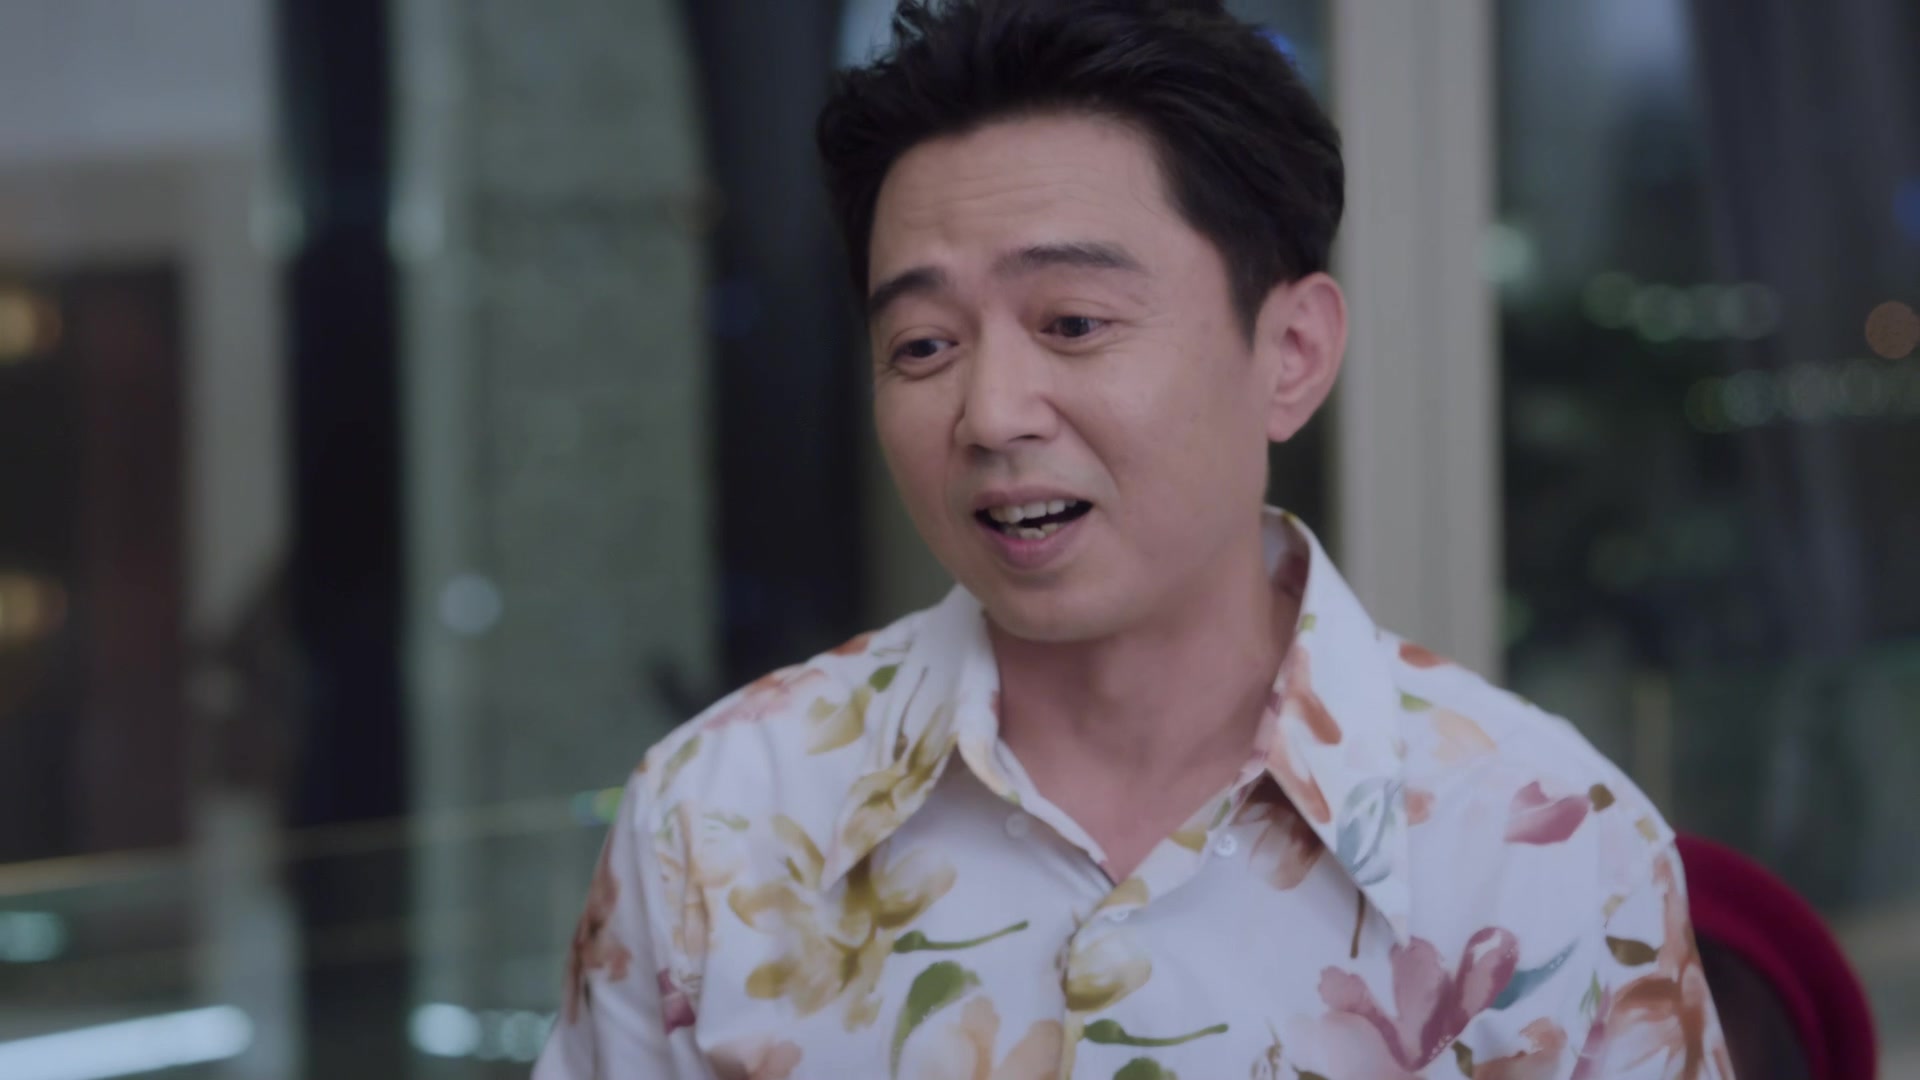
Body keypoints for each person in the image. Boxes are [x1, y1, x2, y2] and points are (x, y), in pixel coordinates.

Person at [536, 1, 1731, 1076]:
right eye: (924, 345)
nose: (992, 414)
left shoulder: (1549, 845)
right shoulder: (713, 824)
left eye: (1072, 322)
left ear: (1291, 354)